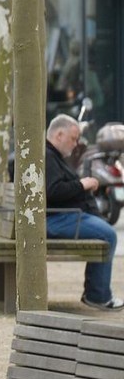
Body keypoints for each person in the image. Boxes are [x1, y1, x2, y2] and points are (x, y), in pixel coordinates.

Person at [45, 113, 123, 310]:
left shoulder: (54, 156)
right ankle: (97, 295)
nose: (76, 143)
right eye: (73, 138)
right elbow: (52, 191)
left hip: (62, 215)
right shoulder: (47, 156)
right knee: (108, 235)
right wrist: (82, 184)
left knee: (105, 232)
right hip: (54, 218)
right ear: (59, 135)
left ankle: (96, 293)